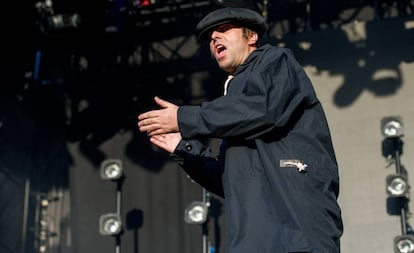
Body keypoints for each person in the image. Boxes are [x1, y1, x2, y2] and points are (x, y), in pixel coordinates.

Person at [138, 7, 343, 253]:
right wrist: (184, 148)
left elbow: (263, 109)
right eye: (211, 38)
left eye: (223, 30)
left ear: (251, 37)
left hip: (297, 233)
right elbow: (233, 181)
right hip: (256, 239)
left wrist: (184, 117)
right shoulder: (234, 105)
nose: (214, 39)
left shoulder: (275, 60)